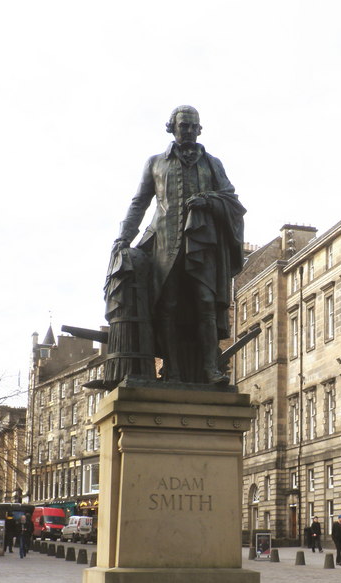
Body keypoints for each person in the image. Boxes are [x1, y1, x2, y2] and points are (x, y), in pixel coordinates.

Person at [110, 105, 246, 385]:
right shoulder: (155, 163)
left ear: (199, 129)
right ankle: (171, 368)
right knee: (167, 306)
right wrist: (124, 236)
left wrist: (208, 201)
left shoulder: (212, 163)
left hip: (202, 243)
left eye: (193, 126)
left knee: (205, 304)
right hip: (164, 243)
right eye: (183, 125)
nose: (188, 131)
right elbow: (140, 202)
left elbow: (231, 199)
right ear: (172, 127)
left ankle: (210, 369)